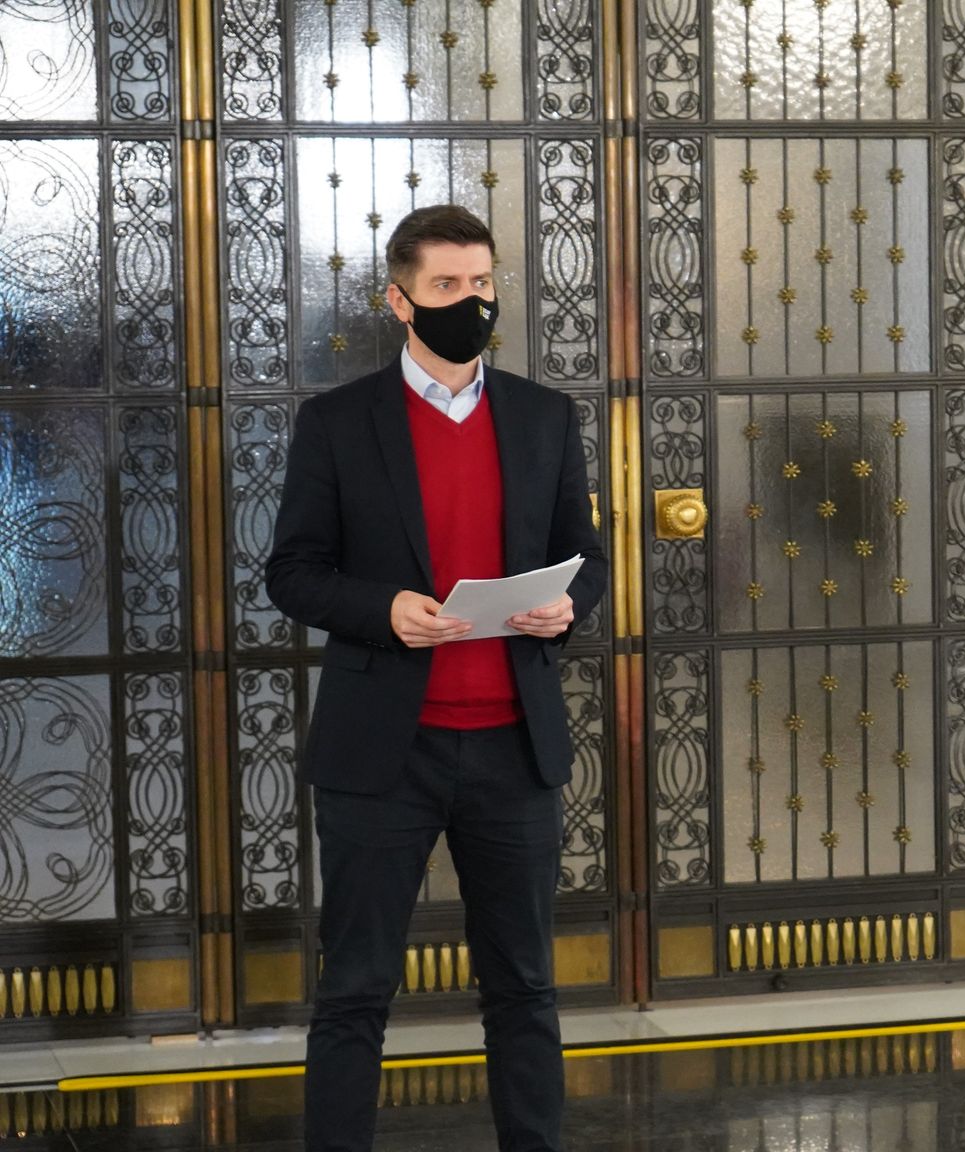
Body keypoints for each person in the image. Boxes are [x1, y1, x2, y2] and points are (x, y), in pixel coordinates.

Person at [266, 204, 608, 1152]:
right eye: (448, 285)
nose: (472, 301)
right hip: (384, 753)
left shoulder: (544, 416)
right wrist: (385, 609)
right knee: (355, 989)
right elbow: (292, 572)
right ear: (400, 300)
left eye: (483, 282)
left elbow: (586, 557)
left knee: (524, 987)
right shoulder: (338, 423)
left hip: (513, 750)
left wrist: (568, 606)